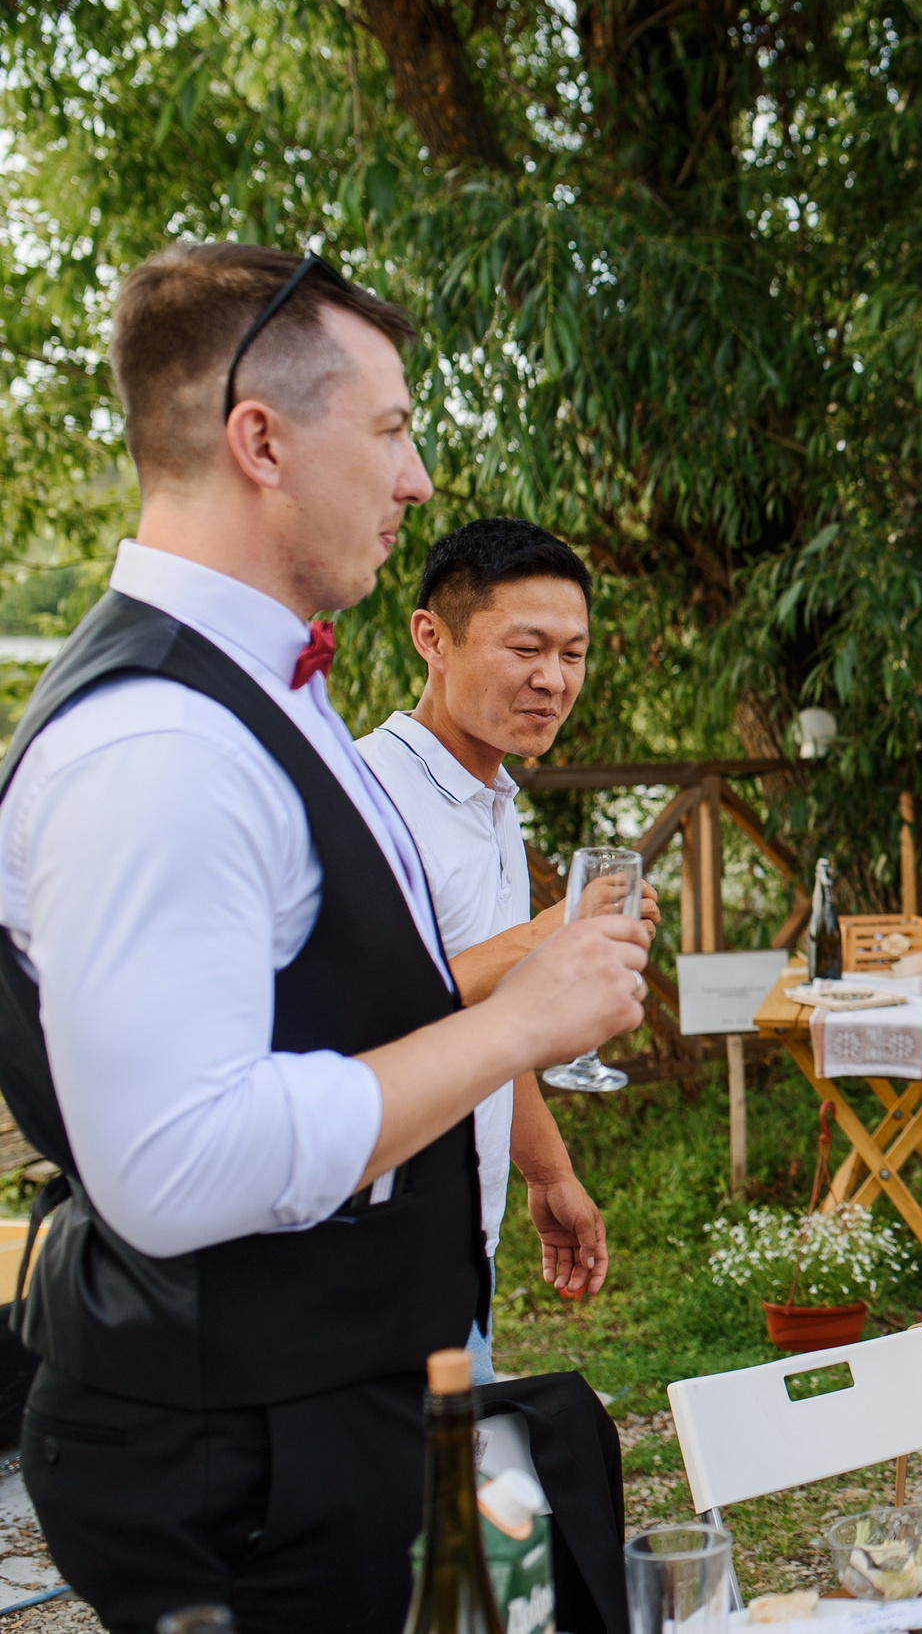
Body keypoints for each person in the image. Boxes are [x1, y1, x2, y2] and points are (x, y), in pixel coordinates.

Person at [0, 242, 645, 1629]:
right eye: (394, 430)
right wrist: (518, 1022)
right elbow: (173, 1163)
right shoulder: (157, 740)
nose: (415, 480)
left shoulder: (267, 688)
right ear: (261, 441)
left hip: (362, 1394)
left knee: (555, 1581)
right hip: (244, 1461)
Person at [358, 517, 651, 1383]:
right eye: (526, 647)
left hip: (463, 1239)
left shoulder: (491, 799)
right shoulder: (373, 798)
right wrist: (549, 932)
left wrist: (546, 1171)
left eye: (574, 653)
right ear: (432, 638)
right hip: (378, 1247)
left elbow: (494, 1015)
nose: (553, 680)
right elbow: (368, 1008)